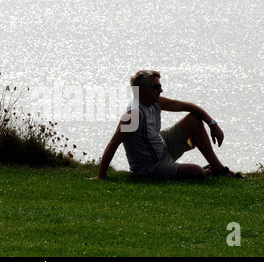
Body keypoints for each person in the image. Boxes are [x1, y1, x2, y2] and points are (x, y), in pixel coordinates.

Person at [93, 69, 243, 180]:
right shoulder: (134, 115)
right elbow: (114, 143)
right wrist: (100, 176)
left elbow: (190, 107)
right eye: (156, 87)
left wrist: (212, 124)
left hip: (161, 145)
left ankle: (218, 169)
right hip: (151, 167)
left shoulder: (156, 102)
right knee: (198, 173)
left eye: (160, 85)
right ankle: (208, 171)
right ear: (142, 91)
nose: (161, 90)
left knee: (193, 120)